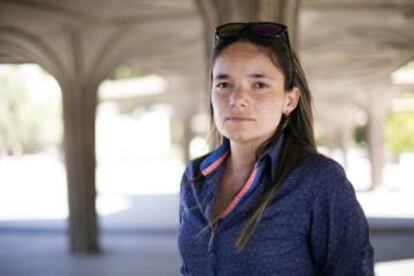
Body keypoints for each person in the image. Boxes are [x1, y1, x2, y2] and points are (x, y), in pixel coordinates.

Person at [177, 21, 374, 275]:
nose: (237, 99)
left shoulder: (319, 181)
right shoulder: (194, 177)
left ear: (290, 100)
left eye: (259, 85)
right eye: (224, 84)